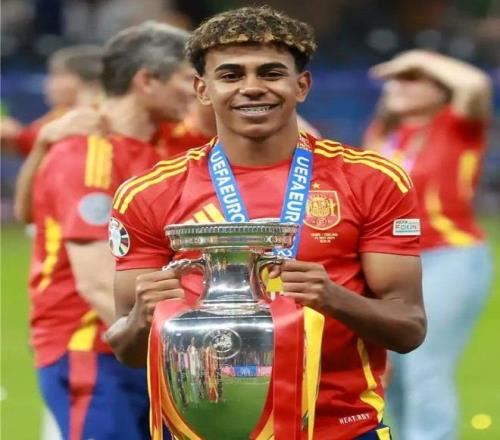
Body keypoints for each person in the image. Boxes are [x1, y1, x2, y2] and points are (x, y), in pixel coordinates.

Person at [106, 6, 426, 439]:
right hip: (209, 432)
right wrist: (142, 319)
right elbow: (126, 349)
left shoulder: (371, 180)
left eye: (271, 73)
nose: (252, 87)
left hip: (340, 430)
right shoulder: (149, 193)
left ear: (302, 85)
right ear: (203, 89)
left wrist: (335, 299)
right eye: (231, 75)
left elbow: (409, 328)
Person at [19, 21, 192, 439]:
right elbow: (98, 283)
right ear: (147, 81)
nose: (195, 90)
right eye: (187, 78)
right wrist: (184, 354)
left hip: (144, 343)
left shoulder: (166, 144)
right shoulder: (88, 156)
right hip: (94, 346)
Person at [364, 50, 493, 440]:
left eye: (414, 79)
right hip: (393, 261)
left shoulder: (457, 125)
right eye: (396, 80)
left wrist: (417, 57)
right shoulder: (382, 135)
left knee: (426, 369)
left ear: (441, 91)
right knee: (392, 372)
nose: (399, 85)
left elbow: (475, 84)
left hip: (447, 257)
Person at [4, 45, 103, 156]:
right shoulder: (59, 113)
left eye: (59, 75)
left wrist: (17, 136)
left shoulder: (95, 119)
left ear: (91, 82)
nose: (48, 83)